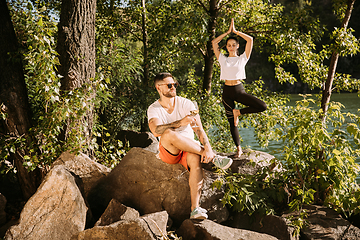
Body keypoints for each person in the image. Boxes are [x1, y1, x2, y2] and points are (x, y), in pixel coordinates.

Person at [147, 72, 233, 219]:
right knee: (168, 133)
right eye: (169, 85)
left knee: (194, 159)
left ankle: (195, 209)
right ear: (158, 88)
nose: (173, 87)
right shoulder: (154, 109)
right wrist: (180, 122)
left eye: (175, 84)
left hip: (189, 148)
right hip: (170, 151)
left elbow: (199, 129)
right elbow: (156, 130)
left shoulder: (187, 103)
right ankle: (213, 158)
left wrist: (209, 149)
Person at [212, 18, 267, 158]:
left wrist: (236, 31)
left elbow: (250, 40)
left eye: (233, 44)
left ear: (237, 46)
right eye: (229, 45)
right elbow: (214, 43)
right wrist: (226, 33)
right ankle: (238, 149)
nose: (231, 47)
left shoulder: (243, 58)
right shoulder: (222, 58)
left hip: (238, 90)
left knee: (262, 106)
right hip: (226, 92)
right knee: (232, 123)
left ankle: (239, 112)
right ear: (226, 47)